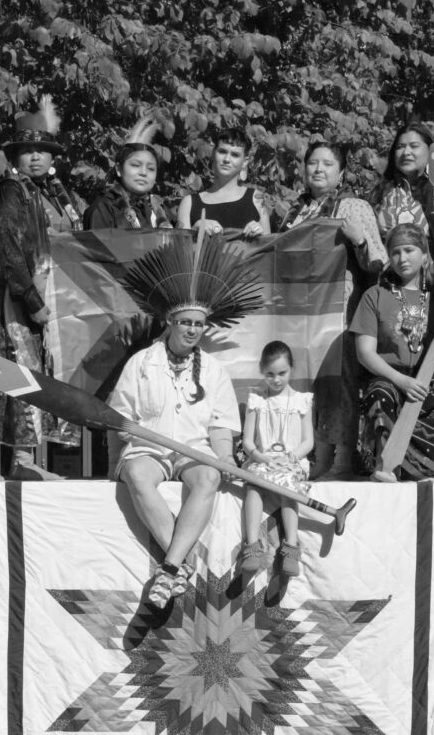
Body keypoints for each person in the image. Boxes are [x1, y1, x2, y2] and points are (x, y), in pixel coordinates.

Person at [112, 230, 263, 608]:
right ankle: (179, 563)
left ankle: (170, 569)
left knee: (209, 476)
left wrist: (224, 456)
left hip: (194, 450)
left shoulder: (213, 370)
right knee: (137, 474)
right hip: (149, 447)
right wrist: (116, 455)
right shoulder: (140, 364)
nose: (193, 329)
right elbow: (118, 421)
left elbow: (221, 425)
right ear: (170, 322)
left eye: (199, 324)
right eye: (186, 322)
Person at [0, 95, 84, 478]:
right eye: (28, 151)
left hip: (59, 303)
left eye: (42, 150)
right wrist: (30, 298)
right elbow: (9, 246)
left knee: (46, 377)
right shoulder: (12, 190)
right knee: (22, 371)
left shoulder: (58, 195)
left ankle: (36, 461)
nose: (35, 157)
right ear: (16, 157)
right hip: (24, 302)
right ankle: (23, 461)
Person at [279, 142, 385, 481]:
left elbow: (379, 261)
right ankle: (315, 458)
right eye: (312, 162)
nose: (319, 169)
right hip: (298, 312)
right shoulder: (292, 212)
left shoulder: (352, 206)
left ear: (341, 173)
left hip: (338, 307)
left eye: (327, 164)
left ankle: (341, 459)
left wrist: (360, 240)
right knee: (305, 381)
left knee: (338, 381)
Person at [352, 223, 434, 482]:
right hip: (392, 379)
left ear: (425, 255)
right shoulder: (375, 295)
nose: (402, 258)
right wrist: (401, 381)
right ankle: (386, 464)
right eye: (395, 252)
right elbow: (365, 353)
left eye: (409, 250)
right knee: (379, 393)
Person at [239, 341, 314, 577]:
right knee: (254, 487)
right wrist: (260, 457)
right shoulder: (257, 400)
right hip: (263, 460)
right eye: (270, 374)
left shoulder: (302, 400)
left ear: (292, 369)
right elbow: (248, 440)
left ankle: (291, 547)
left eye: (282, 373)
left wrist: (290, 458)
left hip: (292, 461)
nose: (276, 380)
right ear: (262, 370)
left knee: (288, 488)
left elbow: (308, 442)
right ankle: (252, 546)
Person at [176, 128, 272, 238]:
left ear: (245, 161)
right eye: (222, 152)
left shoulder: (257, 199)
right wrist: (195, 230)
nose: (227, 159)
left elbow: (269, 251)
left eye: (235, 155)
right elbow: (181, 251)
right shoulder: (189, 203)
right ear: (213, 153)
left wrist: (260, 234)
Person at [83, 118, 172, 231]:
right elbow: (95, 247)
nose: (143, 172)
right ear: (119, 169)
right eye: (135, 165)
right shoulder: (104, 208)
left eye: (150, 168)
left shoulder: (158, 209)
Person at [371, 122, 434, 243]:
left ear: (430, 150)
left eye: (414, 146)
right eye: (400, 147)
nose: (406, 152)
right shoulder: (382, 192)